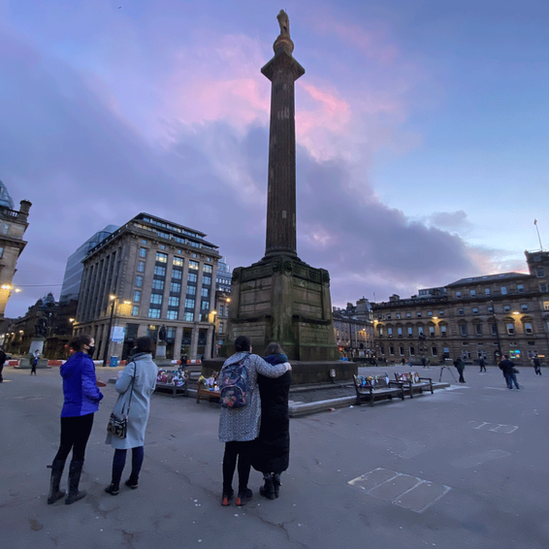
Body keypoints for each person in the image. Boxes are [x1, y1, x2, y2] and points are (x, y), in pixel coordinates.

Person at [219, 335, 291, 507]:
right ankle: (241, 493)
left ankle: (226, 492)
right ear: (249, 347)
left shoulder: (227, 361)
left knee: (229, 453)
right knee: (245, 454)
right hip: (247, 413)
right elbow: (272, 372)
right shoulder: (253, 360)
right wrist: (286, 365)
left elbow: (221, 384)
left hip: (229, 414)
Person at [47, 335, 103, 505]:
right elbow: (87, 386)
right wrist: (98, 395)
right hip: (83, 411)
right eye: (92, 344)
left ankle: (54, 492)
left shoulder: (70, 361)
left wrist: (93, 382)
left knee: (63, 449)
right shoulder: (86, 361)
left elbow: (77, 381)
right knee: (79, 451)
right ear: (85, 346)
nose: (93, 346)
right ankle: (73, 492)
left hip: (68, 411)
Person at [105, 336, 158, 495]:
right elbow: (152, 388)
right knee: (138, 443)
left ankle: (115, 485)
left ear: (138, 348)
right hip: (143, 409)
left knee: (121, 446)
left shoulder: (133, 365)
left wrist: (121, 378)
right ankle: (134, 479)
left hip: (127, 409)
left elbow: (120, 388)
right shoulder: (154, 366)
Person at [252, 342, 292, 500]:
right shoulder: (287, 371)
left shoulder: (263, 371)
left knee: (265, 447)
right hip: (282, 414)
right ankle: (277, 480)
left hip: (265, 413)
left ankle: (268, 482)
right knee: (280, 446)